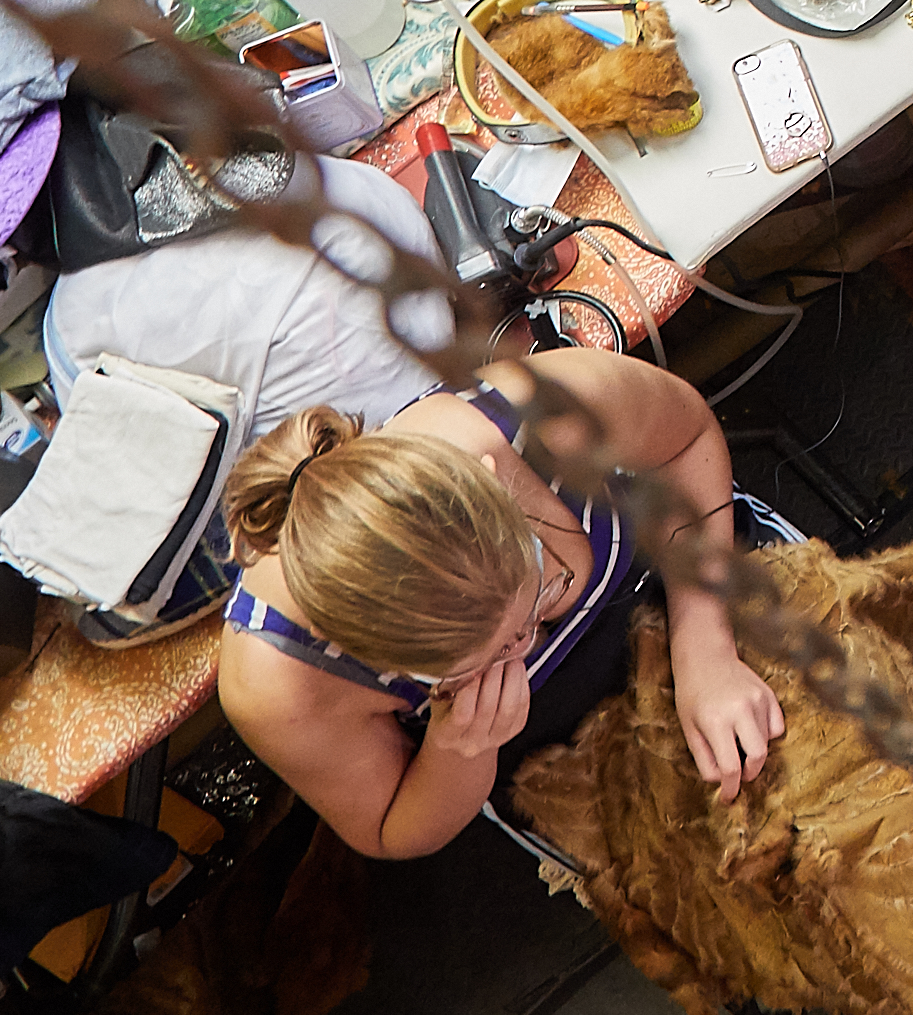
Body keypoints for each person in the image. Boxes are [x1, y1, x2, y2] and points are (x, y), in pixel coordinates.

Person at [215, 347, 783, 859]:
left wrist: (705, 646)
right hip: (543, 753)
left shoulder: (539, 410)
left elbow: (687, 439)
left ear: (494, 481)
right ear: (368, 657)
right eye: (483, 658)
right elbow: (388, 827)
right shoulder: (278, 681)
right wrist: (458, 751)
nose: (529, 640)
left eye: (540, 589)